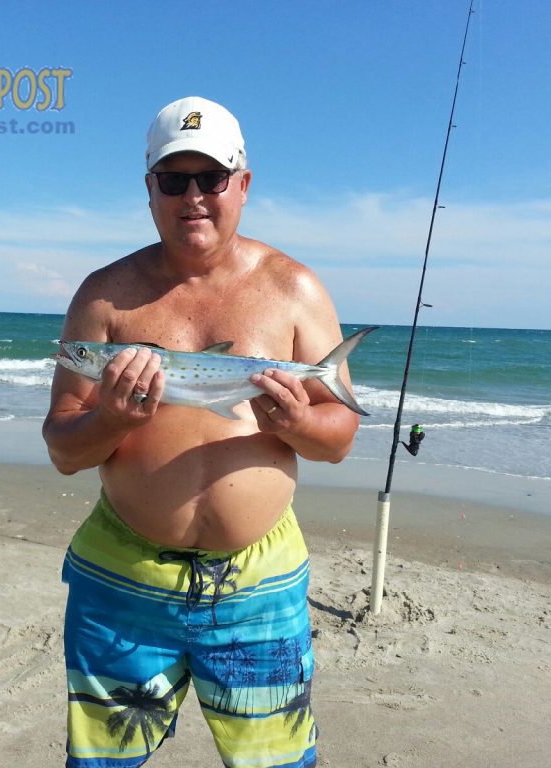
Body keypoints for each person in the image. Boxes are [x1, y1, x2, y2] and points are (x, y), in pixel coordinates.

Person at [43, 96, 361, 768]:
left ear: (242, 184)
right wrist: (113, 418)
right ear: (150, 190)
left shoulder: (295, 289)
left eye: (210, 178)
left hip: (258, 591)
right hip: (121, 583)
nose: (193, 197)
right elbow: (64, 449)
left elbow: (337, 439)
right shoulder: (103, 297)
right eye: (173, 179)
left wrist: (300, 420)